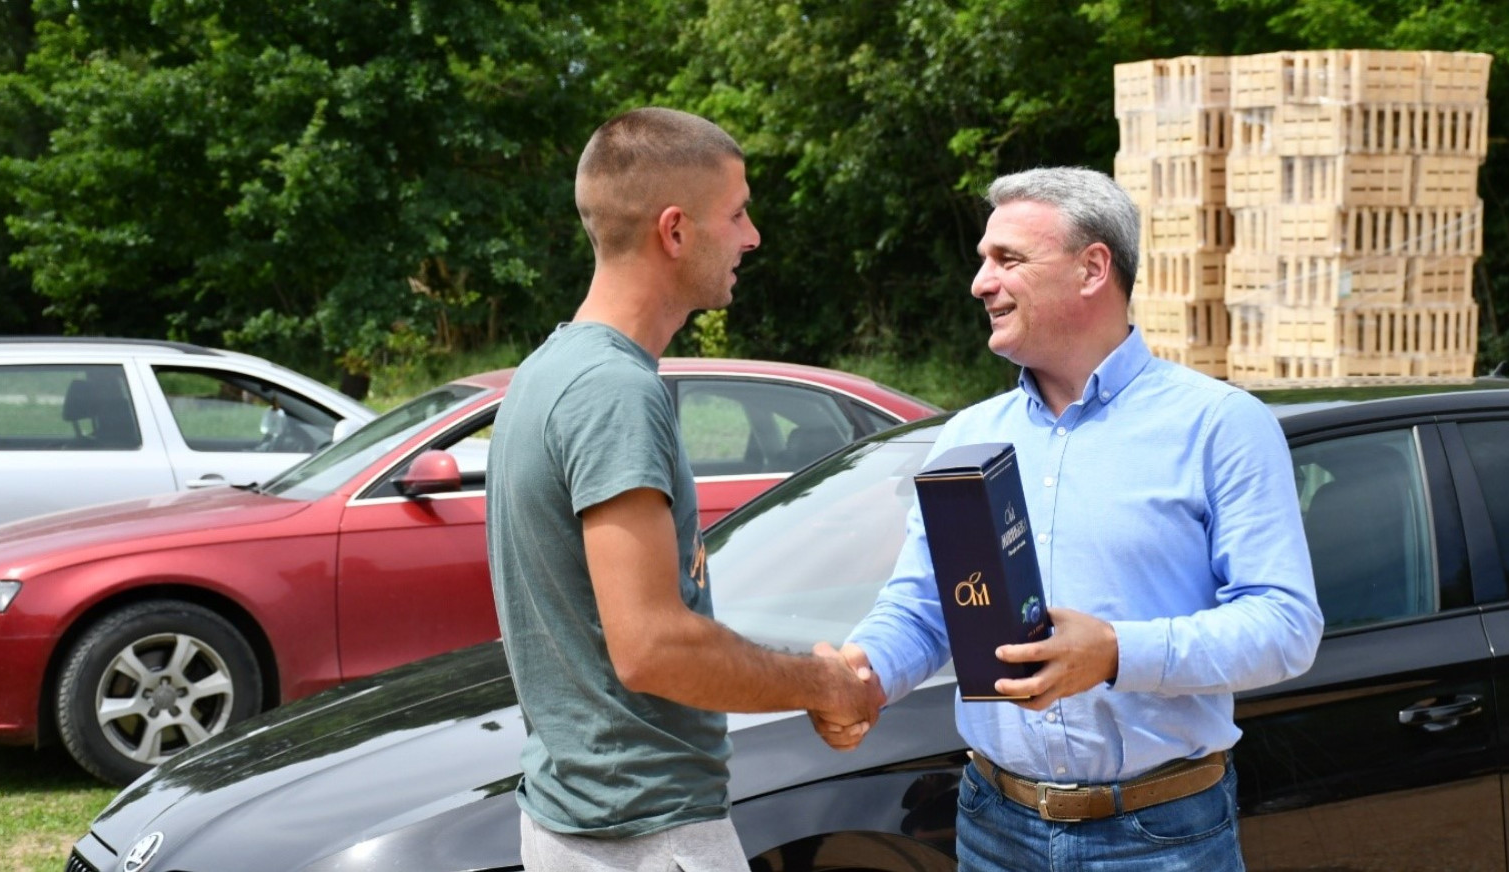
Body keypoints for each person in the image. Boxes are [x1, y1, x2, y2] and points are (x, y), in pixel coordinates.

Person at [819, 166, 1323, 870]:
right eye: (982, 261)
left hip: (1160, 836)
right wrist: (862, 674)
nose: (981, 283)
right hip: (996, 826)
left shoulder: (1219, 425)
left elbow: (1285, 627)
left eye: (1008, 260)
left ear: (1093, 269)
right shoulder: (967, 436)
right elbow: (930, 608)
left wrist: (1116, 653)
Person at [485, 107, 882, 872]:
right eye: (735, 214)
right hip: (648, 837)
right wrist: (821, 683)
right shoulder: (612, 393)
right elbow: (652, 646)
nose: (752, 235)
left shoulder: (549, 372)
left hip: (580, 824)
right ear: (675, 231)